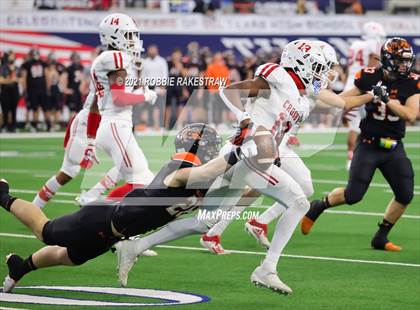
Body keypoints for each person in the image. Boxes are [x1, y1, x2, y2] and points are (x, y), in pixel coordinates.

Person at [116, 40, 330, 295]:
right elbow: (229, 91)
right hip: (244, 155)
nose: (322, 74)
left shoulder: (302, 103)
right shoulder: (279, 77)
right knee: (299, 201)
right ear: (301, 64)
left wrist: (273, 153)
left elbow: (276, 134)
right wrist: (247, 120)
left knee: (204, 222)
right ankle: (267, 269)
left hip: (247, 158)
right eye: (319, 67)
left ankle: (135, 247)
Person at [0, 123, 255, 293]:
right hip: (102, 219)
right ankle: (3, 196)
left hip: (115, 231)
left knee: (72, 257)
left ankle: (21, 267)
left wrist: (264, 179)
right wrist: (236, 153)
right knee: (46, 232)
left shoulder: (204, 183)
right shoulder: (180, 168)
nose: (213, 152)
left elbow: (234, 196)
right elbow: (207, 171)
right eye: (211, 146)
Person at [301, 37, 419, 252]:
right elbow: (342, 101)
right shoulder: (369, 76)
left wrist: (386, 99)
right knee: (353, 196)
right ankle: (319, 205)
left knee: (405, 194)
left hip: (394, 146)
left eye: (406, 60)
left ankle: (380, 237)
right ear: (387, 59)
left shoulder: (412, 81)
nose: (405, 65)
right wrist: (315, 96)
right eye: (399, 60)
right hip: (368, 143)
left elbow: (411, 114)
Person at [89, 13, 157, 199]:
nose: (133, 39)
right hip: (115, 125)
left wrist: (138, 79)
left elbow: (116, 94)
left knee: (148, 181)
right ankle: (96, 217)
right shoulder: (114, 58)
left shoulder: (114, 59)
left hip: (116, 124)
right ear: (113, 35)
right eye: (128, 35)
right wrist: (144, 96)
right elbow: (119, 99)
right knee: (139, 183)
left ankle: (93, 202)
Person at [344, 21, 386, 170]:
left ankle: (351, 156)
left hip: (350, 82)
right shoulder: (372, 44)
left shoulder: (355, 45)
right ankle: (364, 156)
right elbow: (372, 64)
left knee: (354, 125)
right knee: (367, 121)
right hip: (363, 84)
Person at [138, 44, 168, 130]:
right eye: (151, 50)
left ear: (157, 51)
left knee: (159, 107)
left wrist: (163, 87)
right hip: (148, 88)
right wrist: (143, 88)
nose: (152, 51)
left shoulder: (162, 61)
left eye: (154, 50)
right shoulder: (145, 61)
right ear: (148, 51)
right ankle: (148, 125)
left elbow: (165, 74)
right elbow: (142, 76)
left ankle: (158, 125)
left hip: (159, 87)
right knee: (148, 107)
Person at [21, 48, 51, 131]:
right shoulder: (39, 63)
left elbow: (24, 77)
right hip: (36, 89)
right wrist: (48, 88)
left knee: (40, 108)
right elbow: (24, 77)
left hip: (36, 89)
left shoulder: (28, 64)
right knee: (38, 108)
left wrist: (24, 89)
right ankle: (41, 125)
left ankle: (42, 125)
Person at [0, 51, 19, 133]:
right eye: (10, 56)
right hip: (5, 90)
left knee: (13, 109)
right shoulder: (3, 68)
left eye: (13, 56)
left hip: (14, 90)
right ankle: (5, 125)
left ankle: (13, 126)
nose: (12, 57)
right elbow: (1, 80)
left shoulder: (17, 68)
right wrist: (11, 80)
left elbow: (20, 79)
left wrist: (12, 80)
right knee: (5, 109)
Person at [61, 52, 84, 117]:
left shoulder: (82, 67)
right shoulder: (69, 68)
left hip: (79, 92)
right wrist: (65, 89)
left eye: (77, 58)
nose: (76, 60)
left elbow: (85, 80)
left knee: (79, 111)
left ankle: (76, 126)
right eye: (75, 58)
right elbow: (63, 79)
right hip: (73, 92)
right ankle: (72, 126)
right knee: (73, 111)